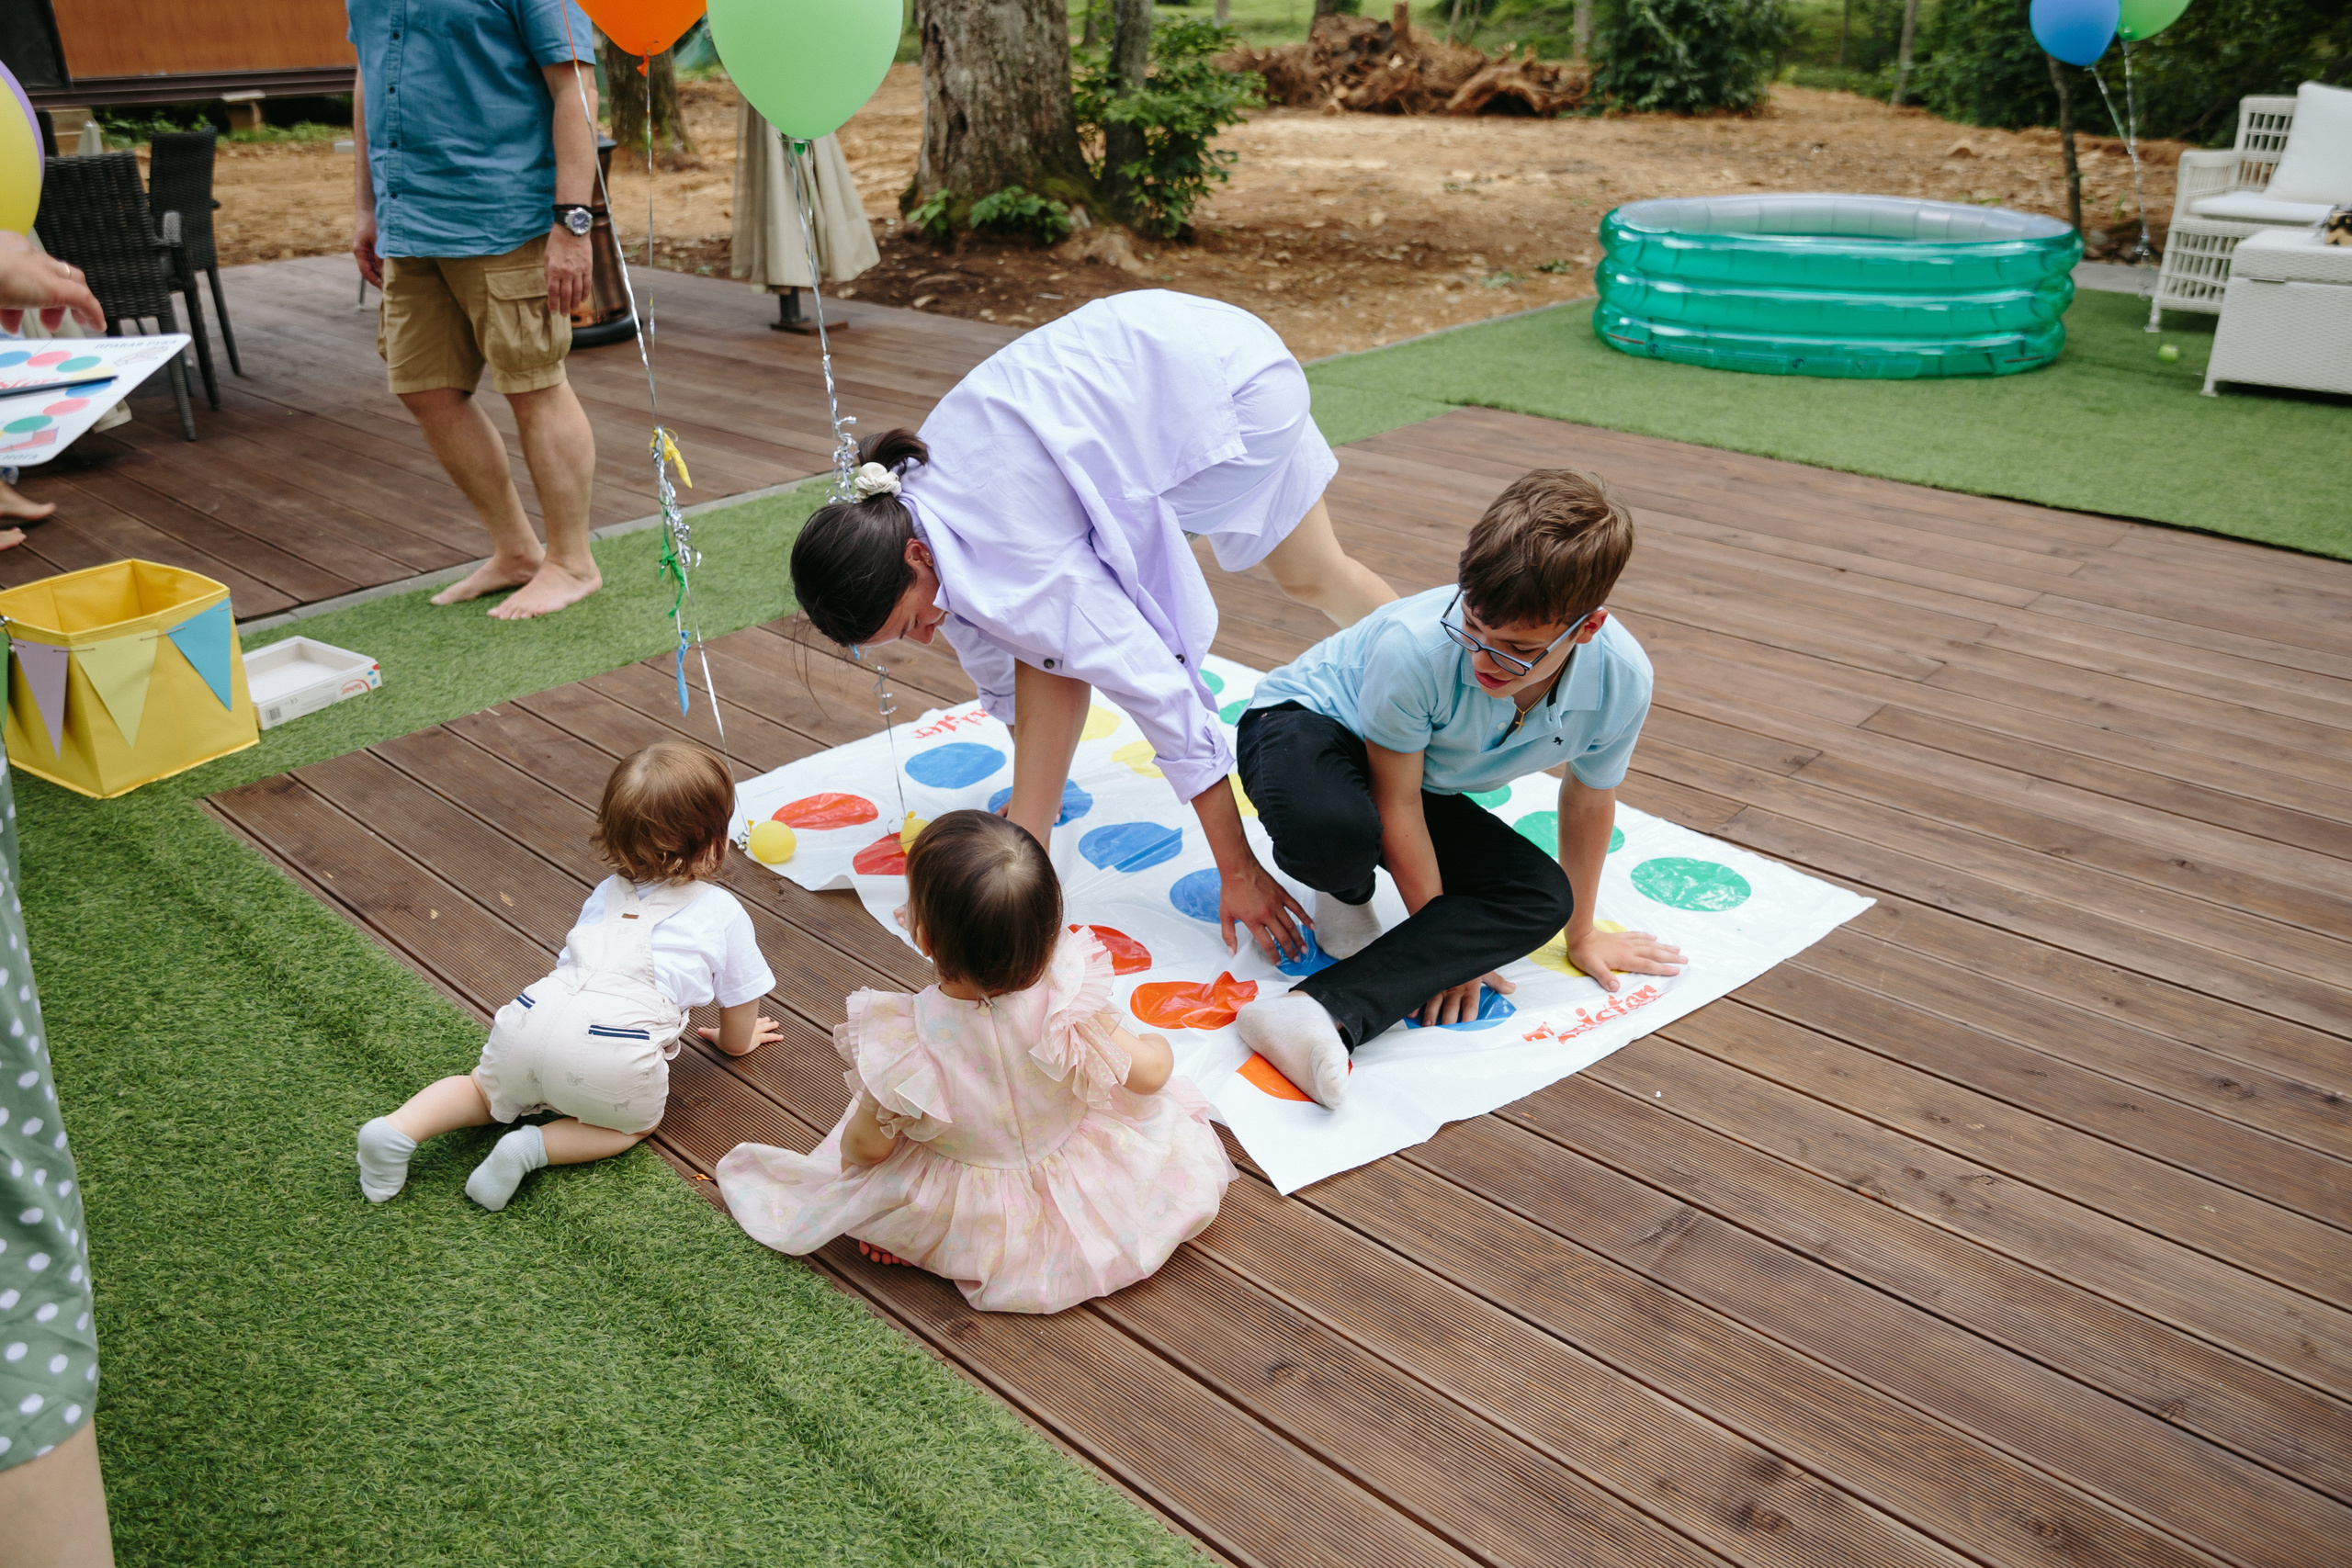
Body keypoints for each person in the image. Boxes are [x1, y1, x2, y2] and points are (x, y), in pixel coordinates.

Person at [788, 290, 1396, 964]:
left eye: (907, 624)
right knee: (1314, 573)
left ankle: (1026, 849)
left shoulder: (1010, 553)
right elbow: (1002, 658)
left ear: (914, 556)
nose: (925, 637)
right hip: (1216, 346)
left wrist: (1238, 868)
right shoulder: (913, 506)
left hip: (1232, 404)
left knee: (1058, 640)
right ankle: (1431, 652)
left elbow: (1153, 684)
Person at [1230, 469, 1688, 1108]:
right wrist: (1443, 945)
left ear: (1587, 627)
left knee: (1540, 898)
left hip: (1420, 774)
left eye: (1515, 649)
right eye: (1471, 626)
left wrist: (1582, 935)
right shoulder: (1415, 646)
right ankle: (1345, 885)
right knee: (1334, 832)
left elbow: (1587, 799)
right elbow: (1396, 801)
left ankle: (1312, 1012)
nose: (1480, 660)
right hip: (1307, 727)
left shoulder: (1622, 678)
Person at [717, 811, 1235, 1314]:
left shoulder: (910, 1042)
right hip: (1092, 1170)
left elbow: (866, 1148)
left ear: (922, 935)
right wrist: (1154, 1045)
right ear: (1048, 926)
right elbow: (1150, 1076)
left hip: (983, 1210)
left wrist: (864, 1187)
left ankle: (917, 1237)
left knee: (879, 1176)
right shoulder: (1066, 995)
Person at [356, 741, 780, 1210]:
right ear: (716, 838)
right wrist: (734, 1041)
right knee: (632, 1123)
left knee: (480, 1089)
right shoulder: (722, 911)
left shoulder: (606, 891)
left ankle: (398, 1129)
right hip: (613, 1048)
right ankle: (529, 1149)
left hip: (532, 1015)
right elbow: (740, 1009)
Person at [346, 0, 605, 620]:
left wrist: (573, 225)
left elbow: (577, 87)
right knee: (425, 387)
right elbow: (368, 73)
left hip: (504, 214)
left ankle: (572, 562)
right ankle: (516, 550)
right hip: (409, 217)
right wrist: (365, 205)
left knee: (534, 385)